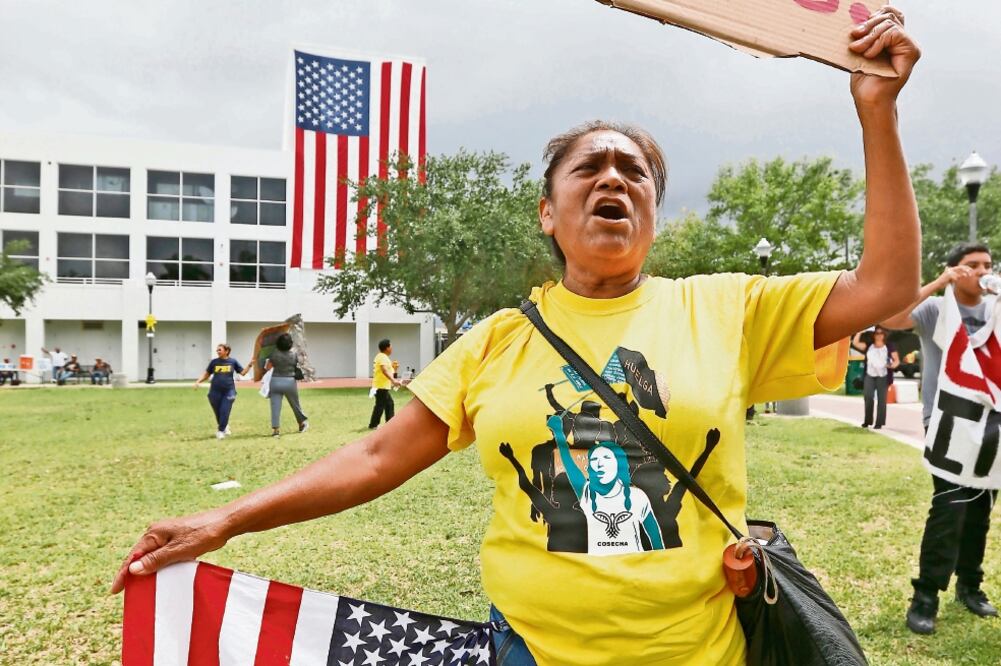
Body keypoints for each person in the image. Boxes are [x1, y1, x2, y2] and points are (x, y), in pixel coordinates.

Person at [112, 12, 920, 663]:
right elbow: (374, 456)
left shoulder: (725, 308)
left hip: (699, 649)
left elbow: (883, 287)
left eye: (634, 172)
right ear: (547, 212)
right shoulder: (498, 340)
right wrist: (226, 520)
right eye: (589, 167)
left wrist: (874, 112)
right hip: (528, 648)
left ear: (652, 215)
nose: (613, 177)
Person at [882, 242, 1000, 634]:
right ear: (955, 269)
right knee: (950, 507)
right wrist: (940, 281)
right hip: (948, 423)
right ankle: (926, 594)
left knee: (981, 509)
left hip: (991, 426)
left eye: (987, 264)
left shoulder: (996, 310)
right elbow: (893, 317)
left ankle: (970, 586)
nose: (982, 271)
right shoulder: (937, 308)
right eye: (972, 265)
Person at [193, 343, 253, 440]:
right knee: (218, 413)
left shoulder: (233, 362)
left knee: (225, 410)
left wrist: (250, 365)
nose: (218, 351)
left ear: (226, 351)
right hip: (214, 392)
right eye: (217, 350)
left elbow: (243, 373)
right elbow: (206, 374)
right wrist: (198, 381)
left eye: (219, 350)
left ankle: (220, 431)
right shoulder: (214, 362)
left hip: (229, 391)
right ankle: (224, 426)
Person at [851, 326, 900, 429]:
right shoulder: (869, 346)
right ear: (874, 335)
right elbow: (855, 343)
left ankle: (879, 422)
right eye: (877, 333)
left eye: (881, 333)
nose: (879, 335)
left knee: (882, 400)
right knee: (868, 397)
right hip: (870, 375)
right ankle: (867, 421)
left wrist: (892, 365)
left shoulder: (889, 346)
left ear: (884, 335)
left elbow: (896, 361)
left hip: (883, 376)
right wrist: (860, 331)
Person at [264, 333, 309, 438]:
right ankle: (301, 424)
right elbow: (297, 365)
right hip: (289, 381)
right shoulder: (293, 355)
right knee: (295, 405)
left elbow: (267, 367)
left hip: (275, 380)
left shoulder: (273, 354)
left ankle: (276, 430)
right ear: (290, 344)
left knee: (275, 406)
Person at [368, 338, 403, 429]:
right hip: (380, 386)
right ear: (387, 347)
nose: (392, 348)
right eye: (391, 346)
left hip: (383, 386)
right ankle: (374, 425)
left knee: (389, 404)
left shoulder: (384, 358)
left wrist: (395, 369)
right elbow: (384, 370)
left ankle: (389, 424)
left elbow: (389, 372)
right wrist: (394, 381)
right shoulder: (382, 357)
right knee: (380, 405)